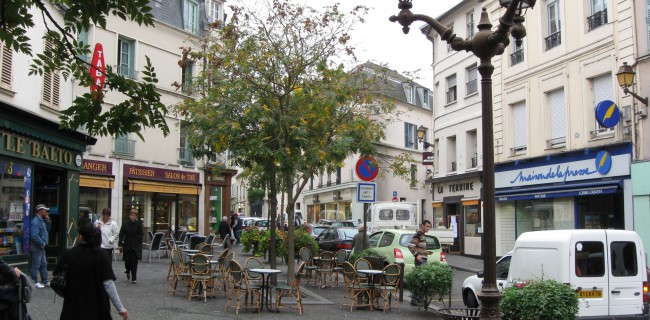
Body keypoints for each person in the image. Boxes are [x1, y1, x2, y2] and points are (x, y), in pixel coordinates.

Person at [54, 218, 128, 320]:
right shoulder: (102, 255)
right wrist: (121, 309)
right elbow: (108, 283)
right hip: (97, 306)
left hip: (72, 307)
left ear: (80, 236)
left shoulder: (69, 253)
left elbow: (56, 274)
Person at [408, 220, 432, 306]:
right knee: (421, 280)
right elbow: (411, 245)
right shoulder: (418, 234)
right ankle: (416, 299)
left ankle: (416, 299)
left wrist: (426, 252)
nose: (428, 228)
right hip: (420, 260)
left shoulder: (422, 235)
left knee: (421, 280)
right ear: (422, 226)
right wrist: (417, 255)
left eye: (429, 226)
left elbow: (419, 247)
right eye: (427, 226)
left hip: (423, 259)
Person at [118, 209, 143, 284]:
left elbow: (141, 233)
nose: (132, 217)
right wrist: (120, 244)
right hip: (127, 244)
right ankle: (127, 270)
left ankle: (134, 278)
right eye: (131, 215)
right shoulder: (125, 223)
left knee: (134, 262)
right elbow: (121, 234)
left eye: (133, 215)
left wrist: (138, 240)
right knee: (127, 261)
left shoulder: (138, 223)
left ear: (136, 216)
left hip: (135, 246)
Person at [30, 204, 50, 289]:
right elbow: (34, 235)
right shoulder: (35, 221)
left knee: (43, 264)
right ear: (41, 210)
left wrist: (48, 221)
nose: (46, 212)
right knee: (36, 264)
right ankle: (34, 282)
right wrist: (42, 243)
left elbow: (47, 230)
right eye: (45, 210)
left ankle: (45, 281)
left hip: (41, 246)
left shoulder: (41, 220)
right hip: (37, 246)